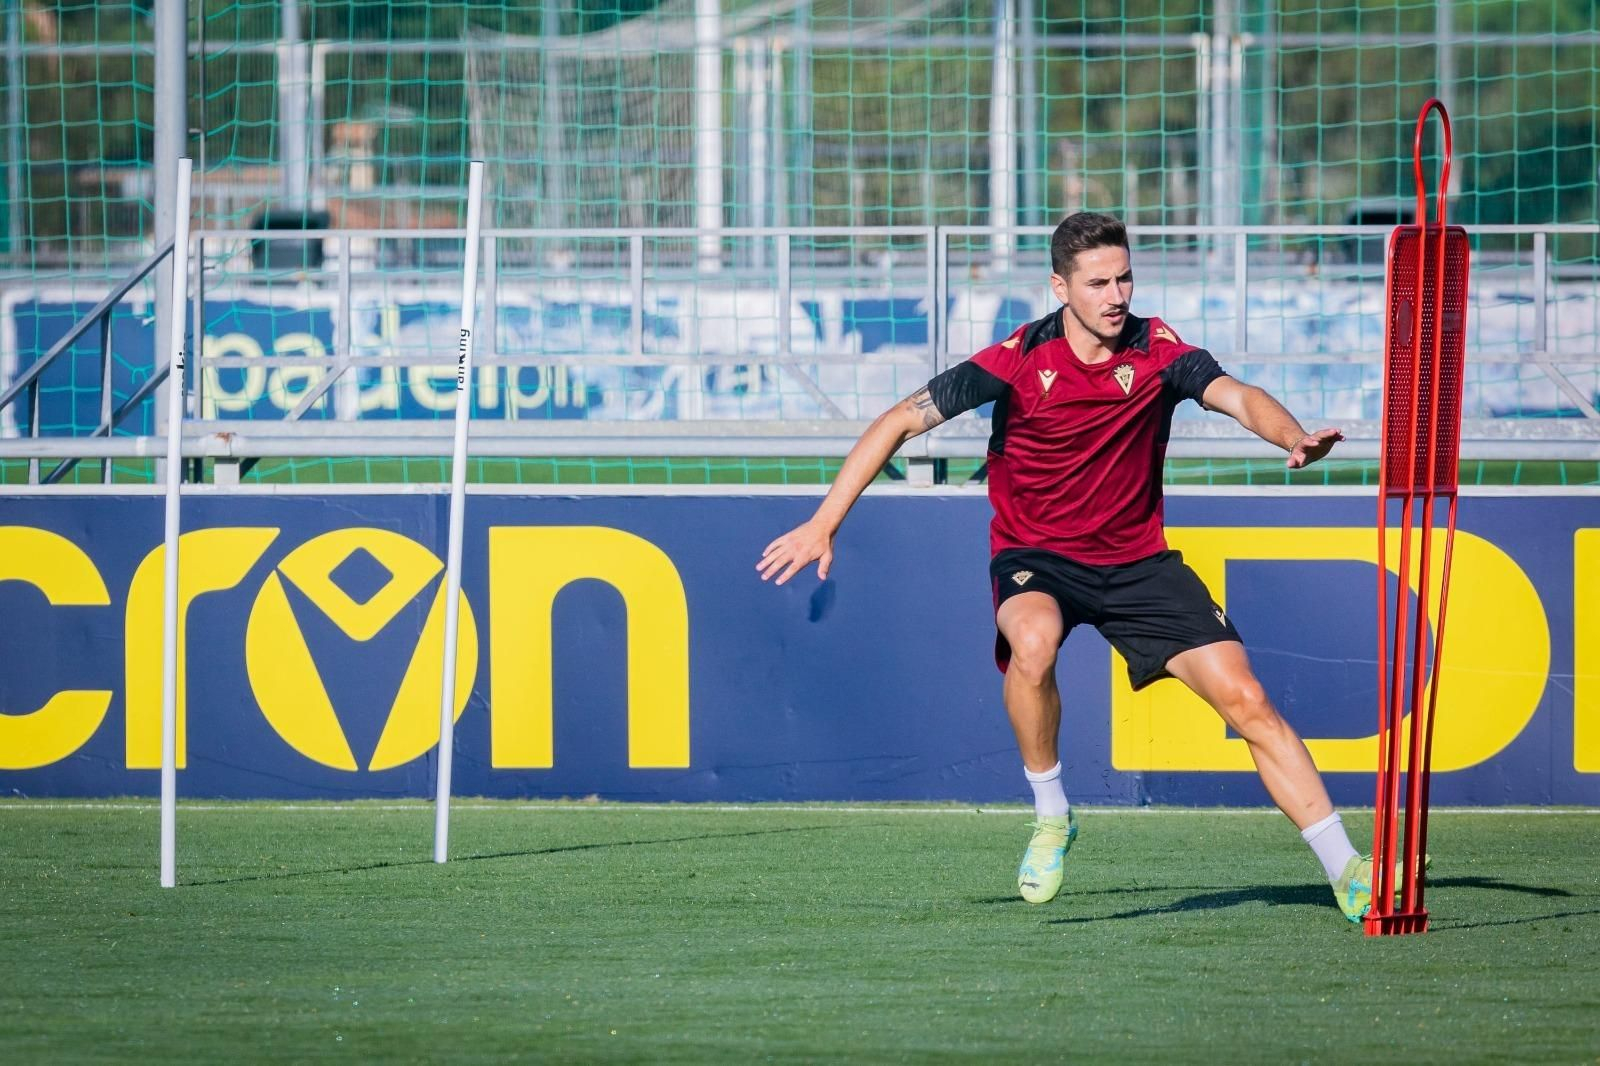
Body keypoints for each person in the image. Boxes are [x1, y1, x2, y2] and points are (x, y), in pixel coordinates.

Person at [757, 211, 1383, 924]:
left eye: (1124, 279)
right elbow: (900, 419)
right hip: (1037, 557)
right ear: (1060, 286)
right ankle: (1052, 814)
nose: (1116, 296)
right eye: (1097, 283)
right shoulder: (1020, 357)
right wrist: (823, 521)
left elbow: (1237, 397)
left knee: (1248, 702)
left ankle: (1346, 869)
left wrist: (1291, 435)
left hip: (1139, 563)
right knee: (1033, 643)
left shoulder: (1161, 350)